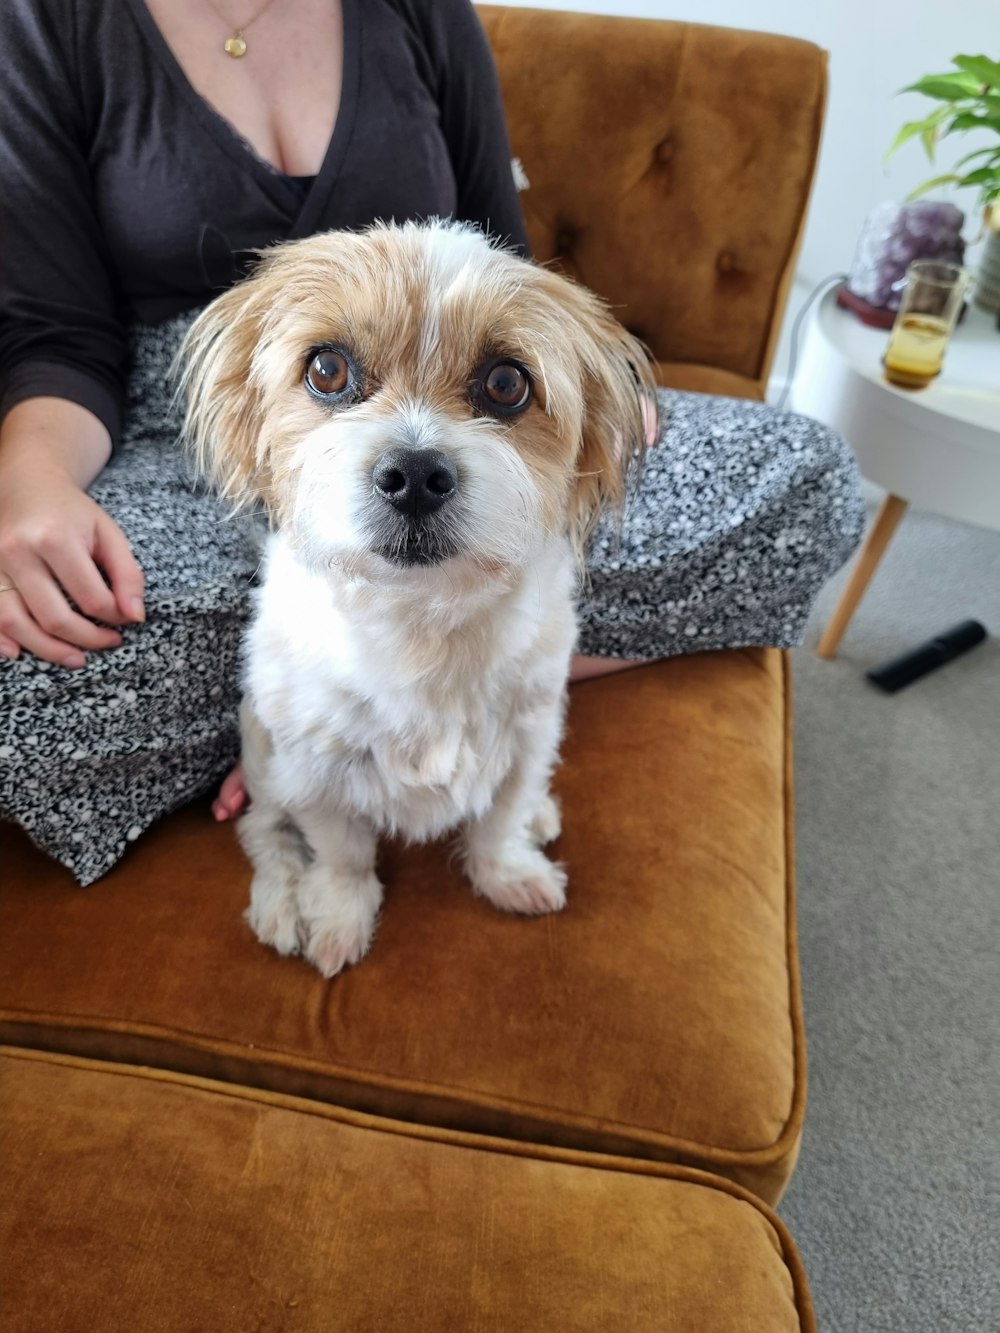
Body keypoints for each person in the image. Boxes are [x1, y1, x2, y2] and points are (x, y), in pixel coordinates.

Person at [0, 0, 864, 871]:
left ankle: (345, 707)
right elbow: (58, 335)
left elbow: (505, 254)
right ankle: (317, 709)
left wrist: (581, 388)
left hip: (477, 424)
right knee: (24, 693)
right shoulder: (44, 19)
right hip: (179, 422)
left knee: (812, 473)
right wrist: (34, 481)